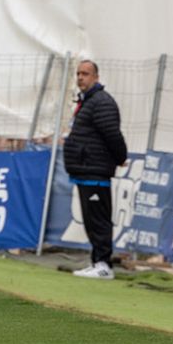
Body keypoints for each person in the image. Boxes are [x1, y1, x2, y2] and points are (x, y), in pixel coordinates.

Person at [62, 58, 129, 279]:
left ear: (96, 77)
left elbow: (112, 134)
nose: (80, 77)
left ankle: (104, 265)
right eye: (78, 73)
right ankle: (97, 261)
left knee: (99, 220)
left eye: (86, 74)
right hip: (84, 170)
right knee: (90, 220)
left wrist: (121, 157)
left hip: (95, 170)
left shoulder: (101, 102)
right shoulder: (86, 101)